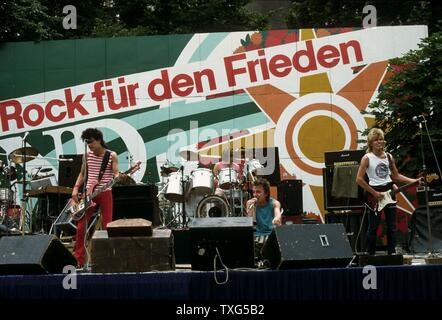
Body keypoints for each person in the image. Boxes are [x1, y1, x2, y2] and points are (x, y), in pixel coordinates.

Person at [356, 128, 421, 255]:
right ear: (371, 143)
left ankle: (391, 254)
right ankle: (370, 254)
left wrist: (413, 181)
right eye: (376, 140)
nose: (379, 142)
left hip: (389, 192)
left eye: (381, 139)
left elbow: (396, 176)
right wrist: (374, 193)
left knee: (392, 226)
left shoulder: (389, 157)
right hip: (375, 194)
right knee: (373, 227)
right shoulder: (367, 158)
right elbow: (358, 179)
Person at [71, 128, 120, 268]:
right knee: (81, 227)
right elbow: (82, 174)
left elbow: (116, 173)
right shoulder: (86, 156)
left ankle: (107, 258)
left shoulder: (111, 155)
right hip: (88, 194)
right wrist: (75, 188)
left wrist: (117, 177)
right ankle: (79, 260)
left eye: (91, 142)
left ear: (99, 140)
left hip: (105, 191)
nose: (89, 146)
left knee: (107, 225)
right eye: (87, 143)